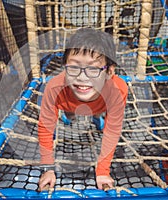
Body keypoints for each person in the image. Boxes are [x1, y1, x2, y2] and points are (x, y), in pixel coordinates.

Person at [37, 28, 128, 191]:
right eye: (73, 68)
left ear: (110, 71)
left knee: (98, 113)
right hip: (68, 104)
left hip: (100, 105)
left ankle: (95, 117)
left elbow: (112, 131)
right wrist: (48, 168)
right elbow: (45, 129)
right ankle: (68, 116)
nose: (82, 77)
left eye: (93, 69)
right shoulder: (54, 88)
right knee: (71, 114)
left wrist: (102, 171)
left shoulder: (118, 89)